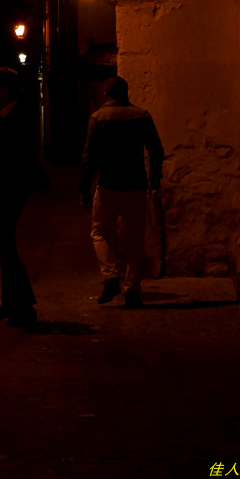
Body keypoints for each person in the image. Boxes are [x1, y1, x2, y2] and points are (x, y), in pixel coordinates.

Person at [80, 76, 164, 309]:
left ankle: (110, 276)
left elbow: (89, 157)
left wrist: (84, 188)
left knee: (100, 232)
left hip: (108, 185)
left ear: (106, 94)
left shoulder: (97, 118)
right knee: (135, 239)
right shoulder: (142, 116)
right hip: (136, 185)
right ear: (126, 93)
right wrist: (154, 180)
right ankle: (132, 290)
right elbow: (156, 149)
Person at [0, 66, 40, 330]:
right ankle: (10, 302)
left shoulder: (18, 115)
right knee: (3, 244)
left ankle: (24, 304)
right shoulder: (3, 114)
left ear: (4, 89)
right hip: (0, 186)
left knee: (4, 245)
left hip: (11, 187)